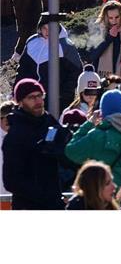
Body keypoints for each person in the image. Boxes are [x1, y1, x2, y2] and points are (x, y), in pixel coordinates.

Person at [2, 79, 70, 209]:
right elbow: (11, 181)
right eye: (31, 97)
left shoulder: (50, 122)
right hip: (27, 207)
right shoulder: (15, 135)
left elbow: (68, 158)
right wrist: (44, 197)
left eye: (40, 95)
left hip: (55, 203)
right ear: (20, 102)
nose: (38, 101)